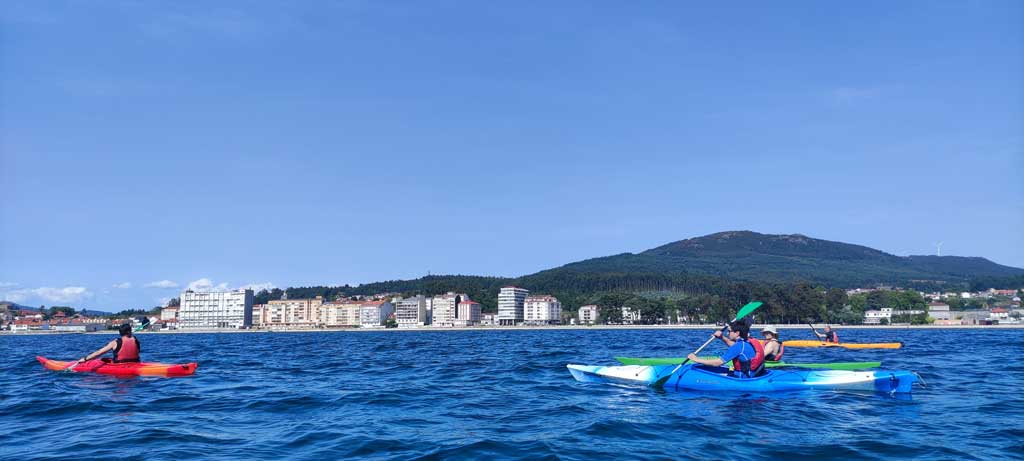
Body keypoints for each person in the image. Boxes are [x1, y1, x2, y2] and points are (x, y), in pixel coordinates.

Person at [687, 319, 765, 377]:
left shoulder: (738, 346)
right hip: (751, 374)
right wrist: (722, 337)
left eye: (729, 331)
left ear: (737, 333)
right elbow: (734, 347)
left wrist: (695, 359)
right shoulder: (746, 342)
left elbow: (717, 363)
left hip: (742, 378)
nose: (727, 333)